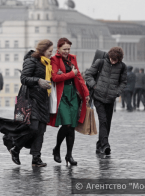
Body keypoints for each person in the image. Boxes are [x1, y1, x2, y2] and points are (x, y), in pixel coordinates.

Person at [9, 39, 53, 167]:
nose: (51, 53)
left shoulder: (48, 64)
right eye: (50, 51)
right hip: (30, 99)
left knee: (40, 130)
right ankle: (16, 148)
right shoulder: (31, 61)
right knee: (33, 128)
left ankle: (36, 158)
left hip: (43, 99)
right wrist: (38, 80)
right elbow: (24, 78)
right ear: (43, 50)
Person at [49, 38, 90, 166]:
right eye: (64, 49)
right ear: (58, 49)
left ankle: (69, 155)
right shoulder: (54, 60)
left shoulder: (72, 58)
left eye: (68, 49)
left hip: (73, 93)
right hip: (62, 94)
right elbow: (55, 77)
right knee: (66, 123)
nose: (67, 51)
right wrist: (71, 74)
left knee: (72, 125)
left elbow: (79, 76)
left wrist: (86, 93)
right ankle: (56, 149)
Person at [85, 47, 127, 155]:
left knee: (107, 123)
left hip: (110, 98)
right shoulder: (101, 62)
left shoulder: (122, 67)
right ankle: (105, 145)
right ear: (109, 56)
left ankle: (100, 145)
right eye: (111, 59)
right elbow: (88, 74)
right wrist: (94, 86)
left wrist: (117, 92)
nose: (113, 61)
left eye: (115, 60)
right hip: (98, 97)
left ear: (119, 59)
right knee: (102, 120)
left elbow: (123, 82)